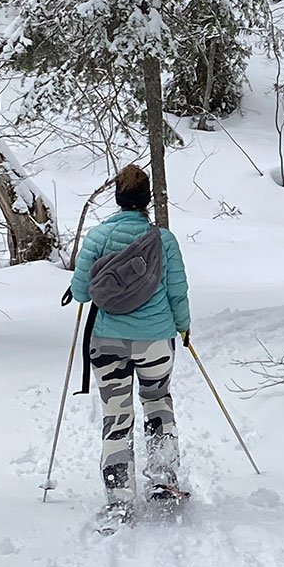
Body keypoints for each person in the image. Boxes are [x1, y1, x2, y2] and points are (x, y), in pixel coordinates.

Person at [70, 165, 191, 525]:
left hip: (107, 341)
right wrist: (183, 328)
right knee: (157, 401)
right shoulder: (164, 241)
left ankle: (119, 498)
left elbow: (81, 292)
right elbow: (177, 292)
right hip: (156, 340)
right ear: (147, 199)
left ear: (118, 198)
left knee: (116, 415)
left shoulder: (97, 237)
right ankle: (163, 479)